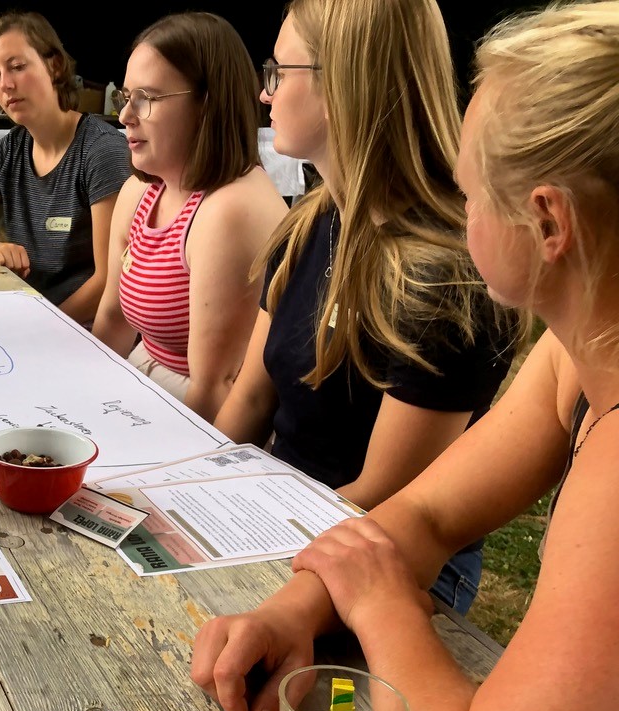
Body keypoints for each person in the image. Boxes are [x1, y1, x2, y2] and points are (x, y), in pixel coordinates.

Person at [194, 3, 619, 711]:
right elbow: (422, 512)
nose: (454, 208)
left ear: (546, 221)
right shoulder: (578, 353)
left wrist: (380, 603)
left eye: (469, 191)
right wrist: (301, 603)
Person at [211, 0, 519, 615]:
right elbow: (249, 399)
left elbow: (383, 496)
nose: (264, 95)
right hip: (286, 519)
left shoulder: (445, 281)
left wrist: (244, 546)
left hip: (392, 561)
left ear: (341, 85)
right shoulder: (308, 225)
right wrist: (186, 495)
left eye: (277, 71)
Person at [91, 13, 288, 420]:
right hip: (144, 382)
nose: (126, 115)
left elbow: (216, 387)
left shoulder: (229, 210)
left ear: (208, 103)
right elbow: (112, 321)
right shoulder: (142, 190)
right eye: (125, 97)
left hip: (198, 414)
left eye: (146, 97)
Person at [0, 11, 131, 327]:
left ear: (54, 65)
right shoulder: (12, 148)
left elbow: (108, 283)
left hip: (84, 332)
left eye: (18, 67)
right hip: (28, 313)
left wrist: (41, 328)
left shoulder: (101, 151)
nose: (6, 84)